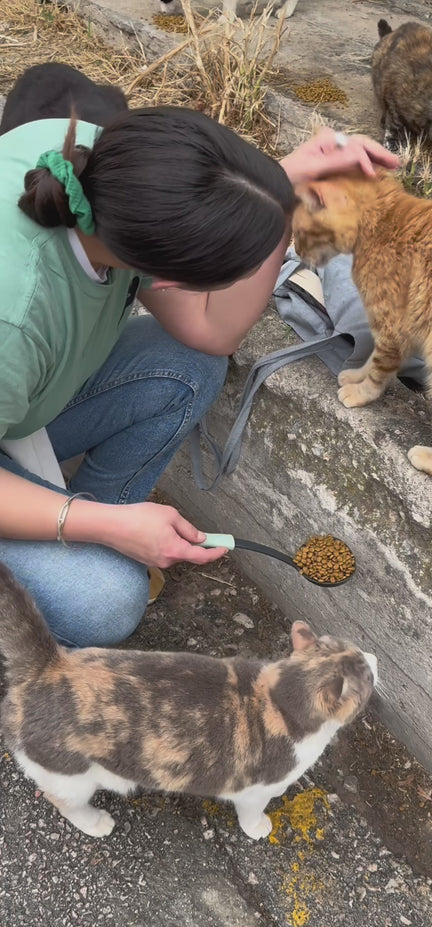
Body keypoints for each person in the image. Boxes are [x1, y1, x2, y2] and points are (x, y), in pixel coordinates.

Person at [0, 100, 399, 648]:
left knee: (187, 369)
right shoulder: (15, 318)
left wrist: (271, 196)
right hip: (13, 378)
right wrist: (98, 523)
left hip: (20, 403)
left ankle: (91, 530)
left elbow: (211, 335)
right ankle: (93, 542)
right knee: (106, 602)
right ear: (166, 281)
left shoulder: (95, 164)